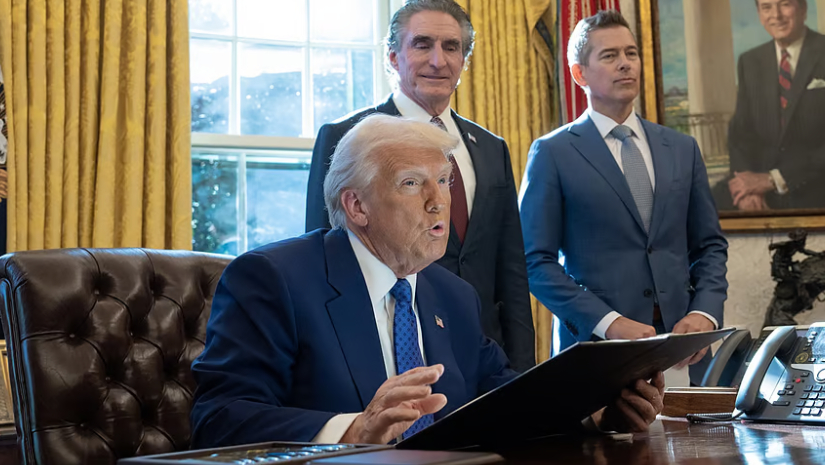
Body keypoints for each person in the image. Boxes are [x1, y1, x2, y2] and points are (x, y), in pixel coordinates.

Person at [191, 115, 666, 447]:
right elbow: (219, 417)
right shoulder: (274, 278)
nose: (439, 202)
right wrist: (352, 430)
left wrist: (595, 412)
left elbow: (509, 399)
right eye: (412, 183)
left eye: (445, 181)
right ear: (357, 206)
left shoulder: (453, 295)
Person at [304, 0, 535, 372]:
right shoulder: (346, 136)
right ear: (393, 57)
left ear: (464, 60)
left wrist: (524, 371)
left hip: (483, 354)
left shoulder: (491, 148)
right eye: (422, 44)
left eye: (451, 47)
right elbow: (323, 255)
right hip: (387, 346)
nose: (438, 61)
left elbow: (511, 269)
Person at [518, 10, 728, 384]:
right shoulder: (552, 153)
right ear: (579, 73)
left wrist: (705, 313)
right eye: (609, 55)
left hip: (683, 350)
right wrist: (609, 322)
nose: (625, 63)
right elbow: (534, 261)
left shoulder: (682, 148)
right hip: (597, 351)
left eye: (631, 53)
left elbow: (709, 245)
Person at [726, 0, 825, 211]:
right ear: (759, 14)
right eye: (767, 7)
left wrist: (775, 179)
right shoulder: (750, 61)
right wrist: (746, 187)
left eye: (785, 4)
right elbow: (740, 133)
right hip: (759, 183)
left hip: (815, 183)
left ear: (803, 9)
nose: (776, 15)